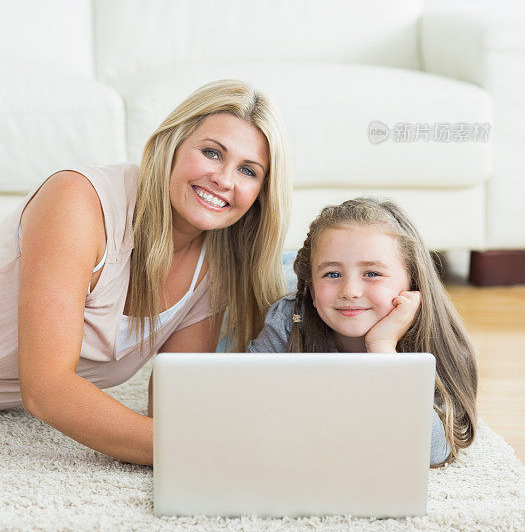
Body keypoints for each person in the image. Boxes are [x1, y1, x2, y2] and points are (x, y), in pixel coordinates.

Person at [0, 79, 292, 466]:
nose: (224, 179)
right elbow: (46, 388)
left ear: (260, 194)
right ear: (173, 144)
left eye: (248, 171)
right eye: (211, 152)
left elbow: (173, 408)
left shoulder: (218, 266)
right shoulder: (78, 201)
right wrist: (198, 452)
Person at [248, 197, 478, 467]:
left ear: (412, 281)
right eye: (332, 274)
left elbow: (431, 451)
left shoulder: (435, 339)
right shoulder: (288, 319)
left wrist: (382, 348)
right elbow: (249, 413)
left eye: (372, 273)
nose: (350, 291)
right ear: (310, 287)